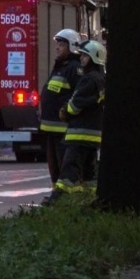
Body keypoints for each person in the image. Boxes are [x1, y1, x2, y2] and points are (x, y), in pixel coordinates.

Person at [52, 39, 105, 201]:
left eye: (85, 56)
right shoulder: (102, 79)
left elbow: (75, 105)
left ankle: (59, 199)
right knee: (89, 172)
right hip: (93, 134)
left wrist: (65, 111)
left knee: (69, 167)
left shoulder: (89, 79)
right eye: (81, 55)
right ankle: (89, 199)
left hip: (79, 134)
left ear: (95, 58)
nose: (81, 58)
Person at [37, 28, 83, 184]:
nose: (57, 47)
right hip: (52, 130)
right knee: (54, 168)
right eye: (57, 44)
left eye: (62, 44)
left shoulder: (74, 69)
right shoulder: (60, 66)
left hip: (63, 130)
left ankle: (64, 197)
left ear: (72, 46)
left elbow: (78, 96)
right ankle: (56, 195)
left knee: (64, 167)